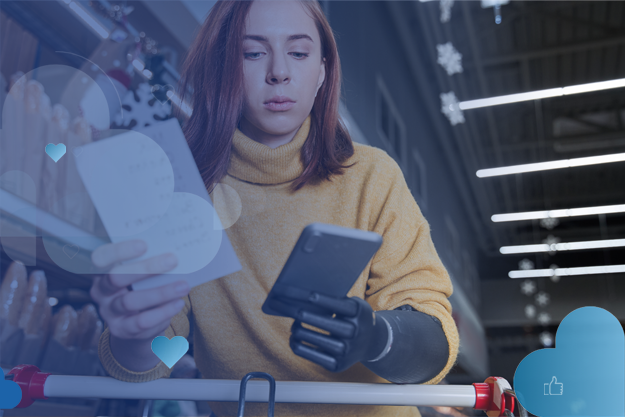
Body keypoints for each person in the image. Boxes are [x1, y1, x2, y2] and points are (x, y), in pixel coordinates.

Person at [90, 1, 460, 416]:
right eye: (253, 53)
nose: (279, 72)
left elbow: (435, 339)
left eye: (299, 53)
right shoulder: (179, 190)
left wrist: (378, 337)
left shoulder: (371, 176)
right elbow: (157, 358)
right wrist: (134, 335)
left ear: (322, 71)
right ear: (222, 67)